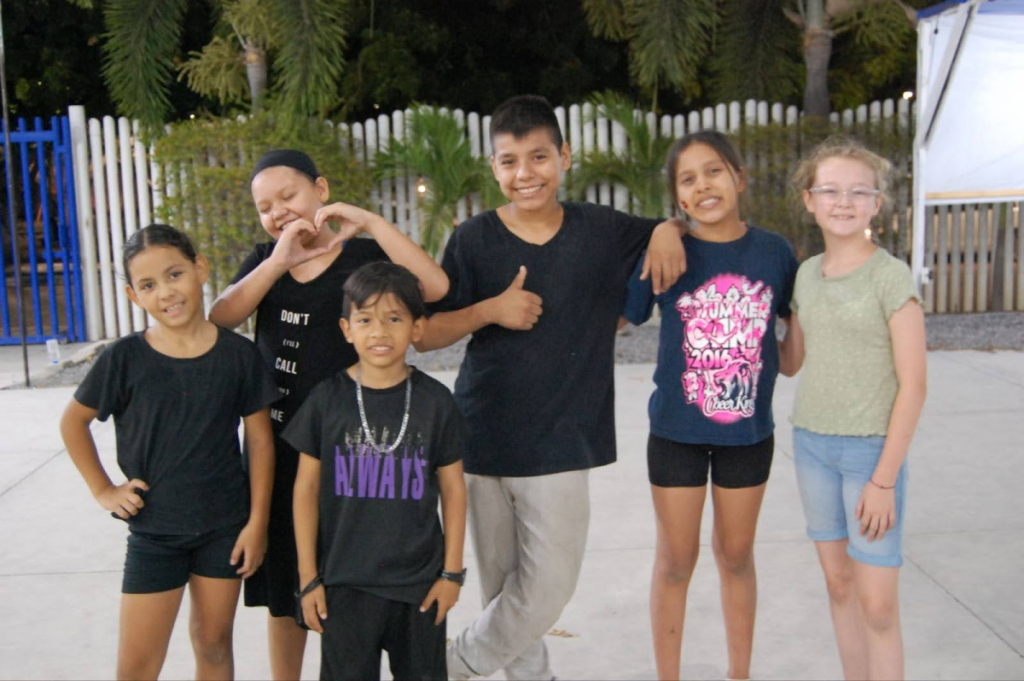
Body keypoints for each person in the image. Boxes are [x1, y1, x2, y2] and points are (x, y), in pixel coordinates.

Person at [417, 94, 687, 681]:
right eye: (510, 161)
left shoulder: (600, 229)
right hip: (483, 437)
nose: (525, 174)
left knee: (546, 593)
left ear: (563, 156)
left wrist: (666, 228)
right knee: (504, 593)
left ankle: (448, 666)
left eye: (538, 157)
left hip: (566, 439)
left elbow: (671, 230)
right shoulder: (475, 240)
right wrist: (490, 309)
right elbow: (426, 333)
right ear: (494, 168)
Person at [208, 150, 448, 679]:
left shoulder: (363, 255)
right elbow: (221, 316)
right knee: (285, 591)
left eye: (288, 196)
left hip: (358, 453)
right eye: (265, 207)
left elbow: (434, 288)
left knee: (347, 580)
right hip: (284, 451)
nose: (278, 213)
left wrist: (372, 222)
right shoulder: (264, 261)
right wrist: (277, 262)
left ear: (321, 189)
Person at [60, 224, 278, 680]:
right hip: (155, 533)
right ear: (132, 295)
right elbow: (73, 422)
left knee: (214, 645)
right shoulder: (125, 359)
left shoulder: (238, 356)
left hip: (224, 528)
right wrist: (103, 489)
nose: (166, 292)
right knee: (138, 664)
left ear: (200, 269)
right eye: (148, 285)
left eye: (175, 274)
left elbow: (259, 440)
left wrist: (257, 523)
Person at [622, 131, 798, 681]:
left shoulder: (774, 253)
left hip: (747, 435)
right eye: (688, 178)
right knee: (676, 561)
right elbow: (626, 313)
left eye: (714, 171)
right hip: (676, 431)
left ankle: (738, 674)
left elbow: (789, 358)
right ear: (679, 197)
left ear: (739, 179)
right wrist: (662, 232)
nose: (704, 185)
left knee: (736, 556)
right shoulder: (669, 250)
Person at [781, 137, 927, 680]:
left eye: (857, 191)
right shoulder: (806, 274)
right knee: (839, 586)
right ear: (809, 200)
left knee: (878, 605)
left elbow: (914, 385)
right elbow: (791, 361)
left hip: (871, 456)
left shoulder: (889, 276)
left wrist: (884, 479)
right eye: (831, 190)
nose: (843, 201)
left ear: (876, 203)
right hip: (812, 447)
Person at [288, 261, 467, 680]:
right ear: (347, 329)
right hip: (345, 585)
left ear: (417, 328)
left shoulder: (436, 402)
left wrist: (452, 574)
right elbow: (304, 489)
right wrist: (309, 579)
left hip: (420, 586)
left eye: (394, 318)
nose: (379, 332)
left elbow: (455, 490)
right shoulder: (326, 400)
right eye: (365, 319)